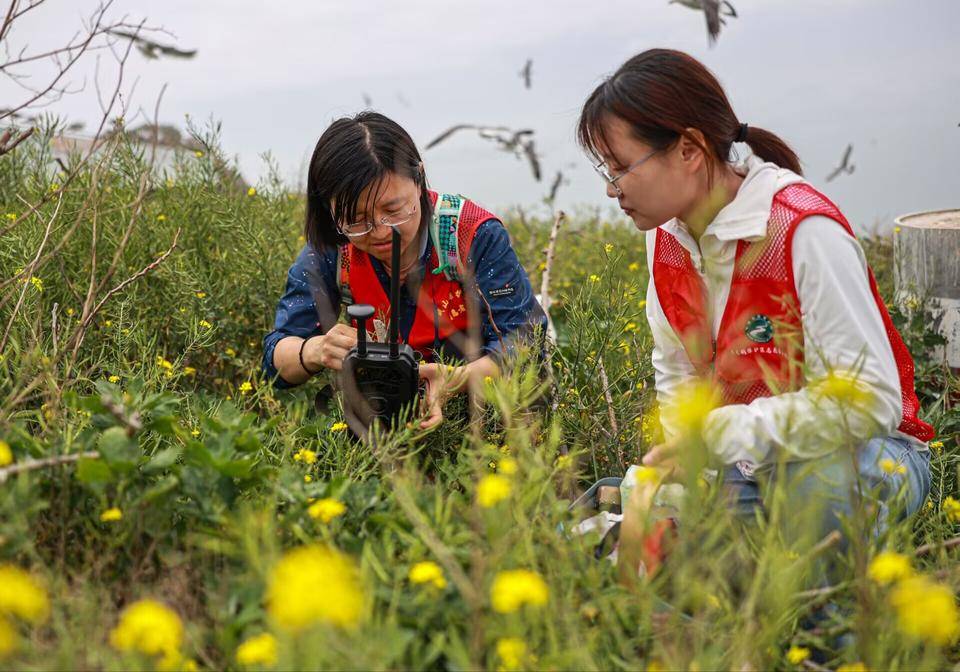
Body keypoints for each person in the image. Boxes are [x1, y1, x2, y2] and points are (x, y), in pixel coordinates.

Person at [576, 49, 933, 557]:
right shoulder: (665, 239)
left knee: (812, 493)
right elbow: (676, 371)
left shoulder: (802, 231)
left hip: (869, 457)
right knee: (614, 520)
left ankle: (829, 634)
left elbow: (872, 399)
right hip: (747, 463)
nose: (613, 191)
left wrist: (723, 433)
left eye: (620, 169)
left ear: (689, 149)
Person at [262, 112, 546, 429]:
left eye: (393, 210)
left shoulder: (473, 235)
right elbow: (276, 358)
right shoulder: (333, 247)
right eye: (356, 220)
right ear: (329, 211)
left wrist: (458, 379)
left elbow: (527, 342)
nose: (381, 231)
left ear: (419, 179)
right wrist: (314, 350)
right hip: (383, 424)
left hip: (485, 421)